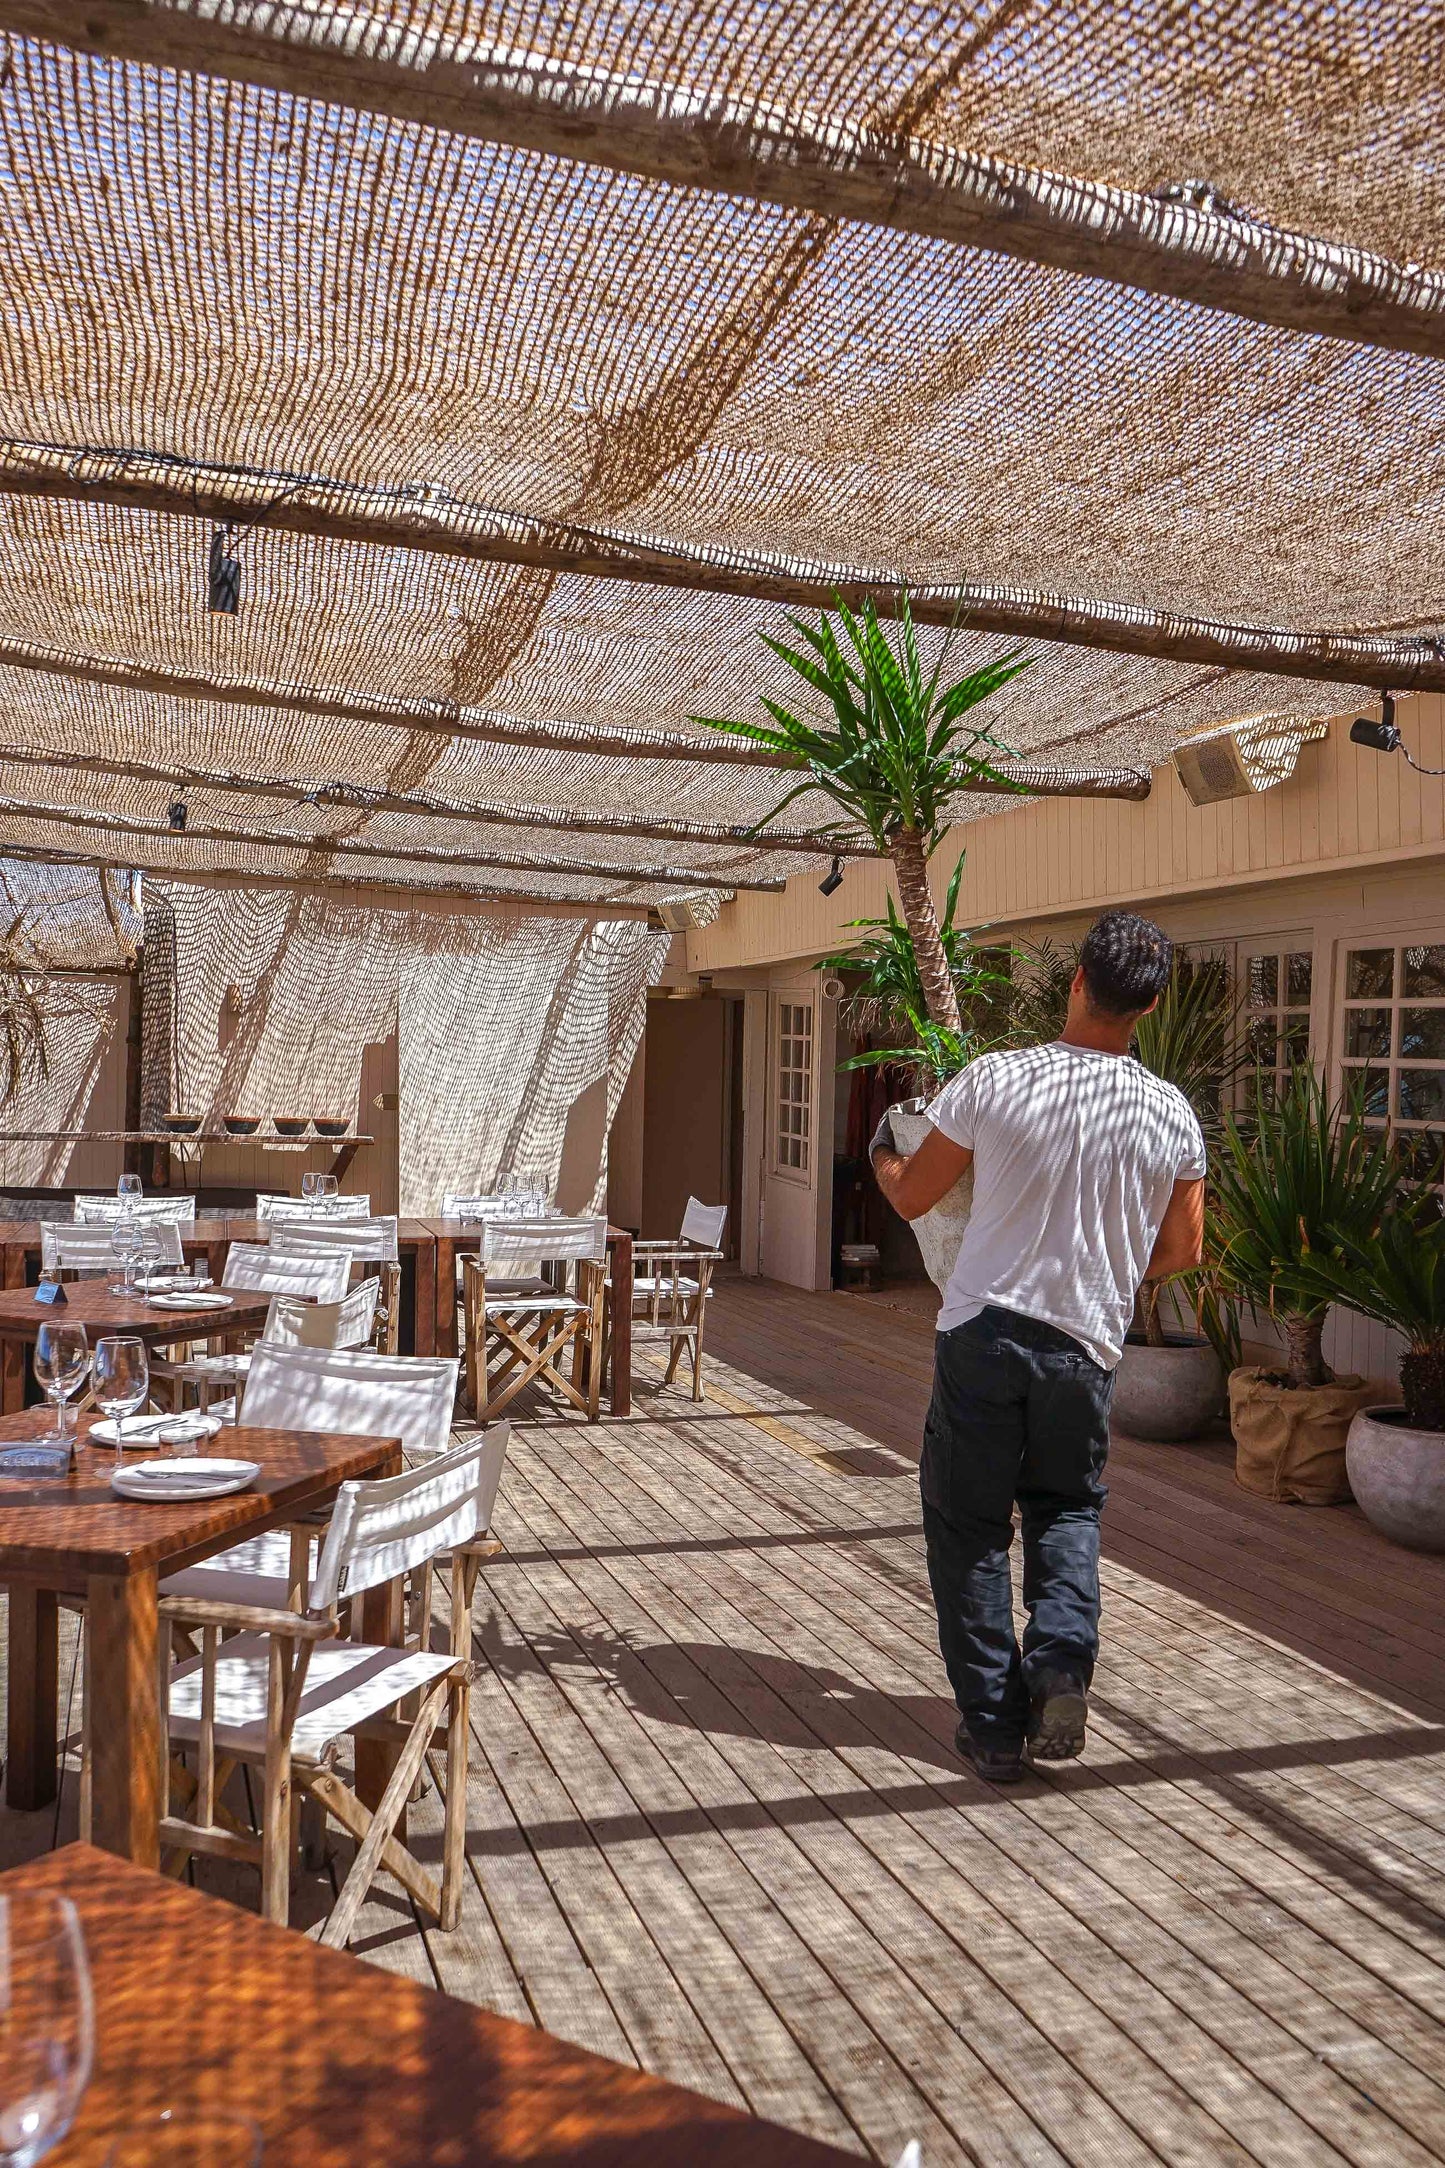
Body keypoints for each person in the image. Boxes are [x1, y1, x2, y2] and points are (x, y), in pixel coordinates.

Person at [870, 910, 1205, 1783]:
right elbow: (1180, 1253)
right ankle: (1057, 1664)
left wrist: (882, 1154)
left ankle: (991, 1728)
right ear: (1152, 1005)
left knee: (969, 1528)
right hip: (1085, 1347)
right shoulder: (1170, 1113)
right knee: (1066, 1509)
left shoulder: (997, 1080)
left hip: (983, 1334)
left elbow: (913, 1198)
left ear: (1076, 983)